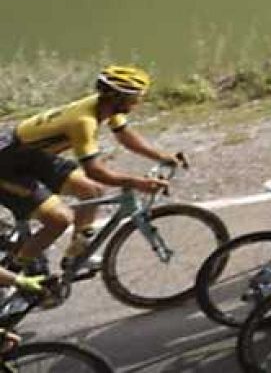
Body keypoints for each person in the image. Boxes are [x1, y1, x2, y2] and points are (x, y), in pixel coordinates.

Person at [0, 67, 182, 279]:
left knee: (92, 191)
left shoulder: (103, 106)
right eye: (134, 98)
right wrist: (138, 182)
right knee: (59, 219)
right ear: (117, 98)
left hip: (31, 156)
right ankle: (15, 273)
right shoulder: (83, 122)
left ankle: (76, 255)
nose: (138, 103)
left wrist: (162, 156)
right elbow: (95, 170)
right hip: (6, 165)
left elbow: (125, 136)